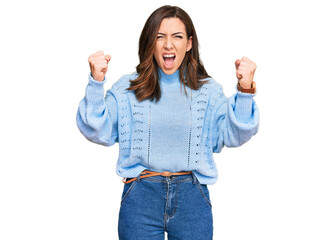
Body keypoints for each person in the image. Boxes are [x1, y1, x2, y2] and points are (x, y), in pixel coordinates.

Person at [76, 5, 259, 240]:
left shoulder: (208, 92)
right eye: (160, 36)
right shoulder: (128, 88)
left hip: (192, 200)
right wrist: (96, 82)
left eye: (177, 37)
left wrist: (245, 90)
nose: (168, 44)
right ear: (150, 42)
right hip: (140, 198)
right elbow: (95, 129)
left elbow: (235, 135)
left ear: (189, 44)